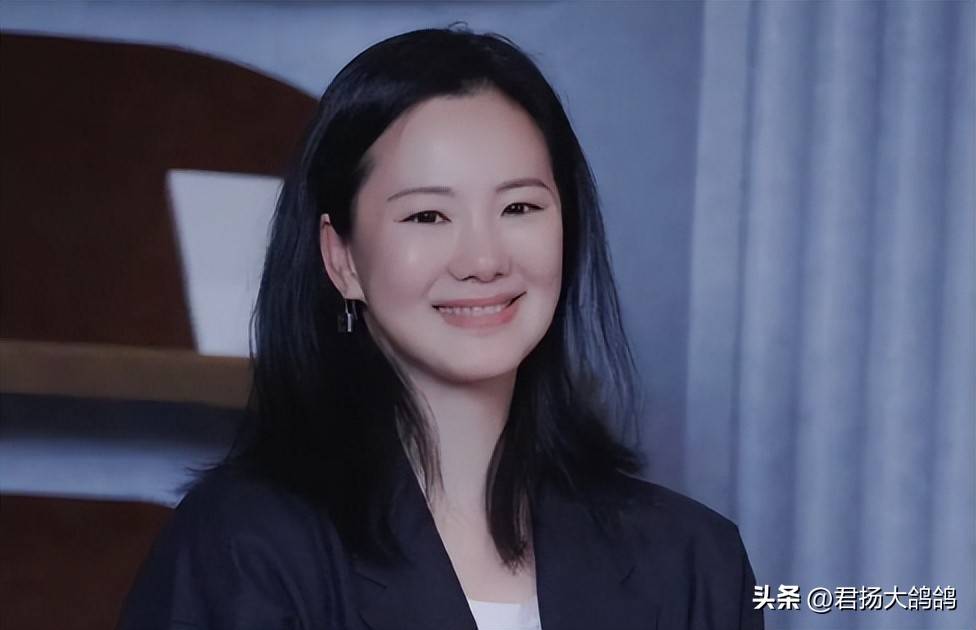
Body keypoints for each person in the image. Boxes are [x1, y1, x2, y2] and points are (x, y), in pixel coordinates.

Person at [118, 27, 763, 630]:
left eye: (519, 207)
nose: (483, 260)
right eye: (427, 216)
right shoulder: (242, 548)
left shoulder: (696, 563)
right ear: (342, 259)